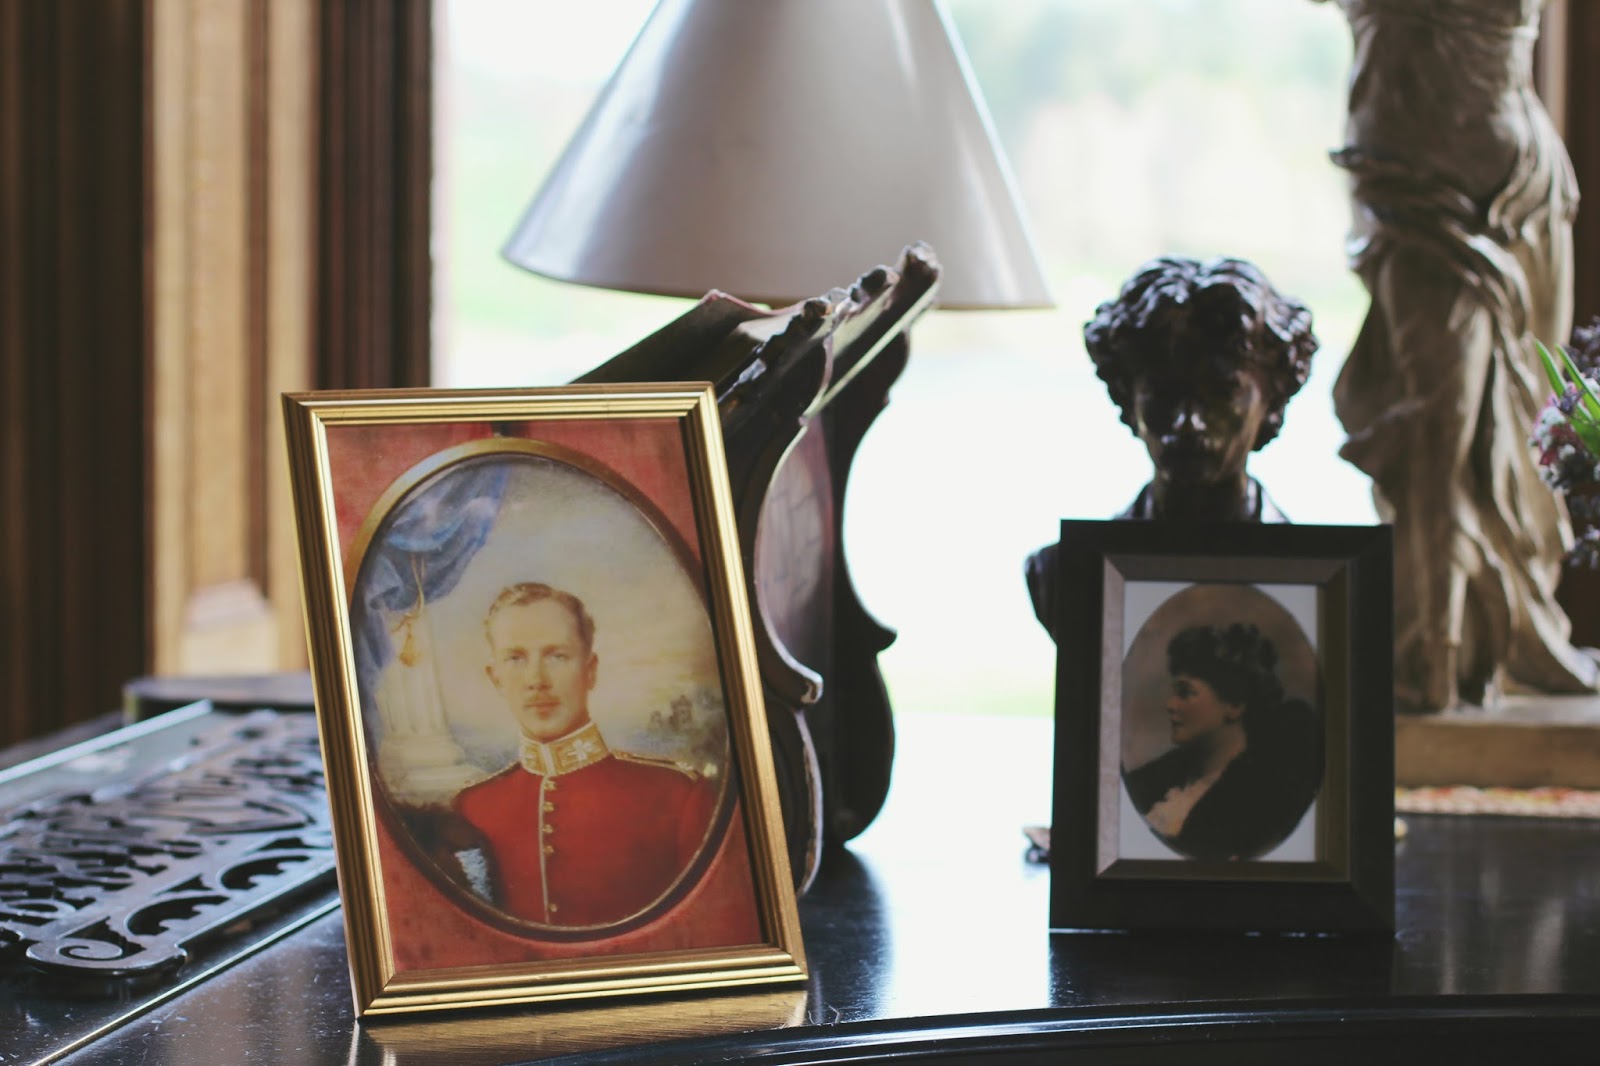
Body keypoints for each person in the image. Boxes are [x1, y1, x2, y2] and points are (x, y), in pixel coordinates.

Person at [1025, 257, 1318, 637]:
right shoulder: (1066, 575)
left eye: (1221, 393)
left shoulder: (1323, 581)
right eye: (1164, 393)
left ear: (1272, 401)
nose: (1188, 423)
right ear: (1128, 398)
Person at [452, 582, 719, 928]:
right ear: (496, 678)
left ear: (590, 670)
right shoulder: (473, 807)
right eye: (515, 658)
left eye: (557, 656)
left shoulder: (677, 796)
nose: (536, 680)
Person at [1122, 623, 1321, 862]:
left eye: (1185, 692)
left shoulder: (1258, 803)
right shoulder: (1157, 783)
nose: (1170, 704)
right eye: (1174, 692)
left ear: (1234, 705)